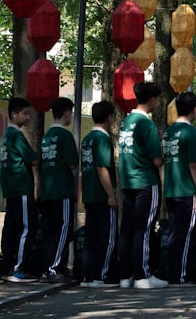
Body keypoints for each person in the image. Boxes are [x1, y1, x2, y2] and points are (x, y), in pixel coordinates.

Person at [117, 81, 168, 289]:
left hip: (127, 181)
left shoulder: (126, 121)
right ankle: (143, 275)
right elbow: (157, 160)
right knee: (144, 229)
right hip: (146, 181)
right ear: (153, 99)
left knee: (127, 229)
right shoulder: (147, 124)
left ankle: (125, 275)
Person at [161, 92, 196, 286]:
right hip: (186, 190)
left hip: (171, 189)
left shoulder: (168, 132)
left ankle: (172, 272)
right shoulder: (192, 133)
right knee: (186, 234)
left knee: (174, 233)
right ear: (194, 109)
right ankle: (182, 275)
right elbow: (194, 165)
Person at [39, 97, 79, 283]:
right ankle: (53, 268)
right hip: (62, 191)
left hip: (47, 192)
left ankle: (53, 265)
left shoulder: (46, 137)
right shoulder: (65, 136)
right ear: (66, 113)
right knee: (63, 229)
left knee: (50, 231)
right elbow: (72, 164)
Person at [0, 97, 39, 282]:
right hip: (21, 187)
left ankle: (7, 265)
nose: (28, 117)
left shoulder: (7, 134)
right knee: (27, 227)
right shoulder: (15, 135)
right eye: (25, 113)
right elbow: (32, 158)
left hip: (10, 189)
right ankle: (18, 268)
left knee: (11, 228)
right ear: (14, 114)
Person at [81, 100, 119, 288]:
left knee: (91, 237)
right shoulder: (103, 139)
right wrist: (111, 195)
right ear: (109, 117)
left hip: (89, 194)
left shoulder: (87, 139)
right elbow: (102, 167)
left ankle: (89, 275)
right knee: (107, 236)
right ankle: (102, 275)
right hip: (102, 195)